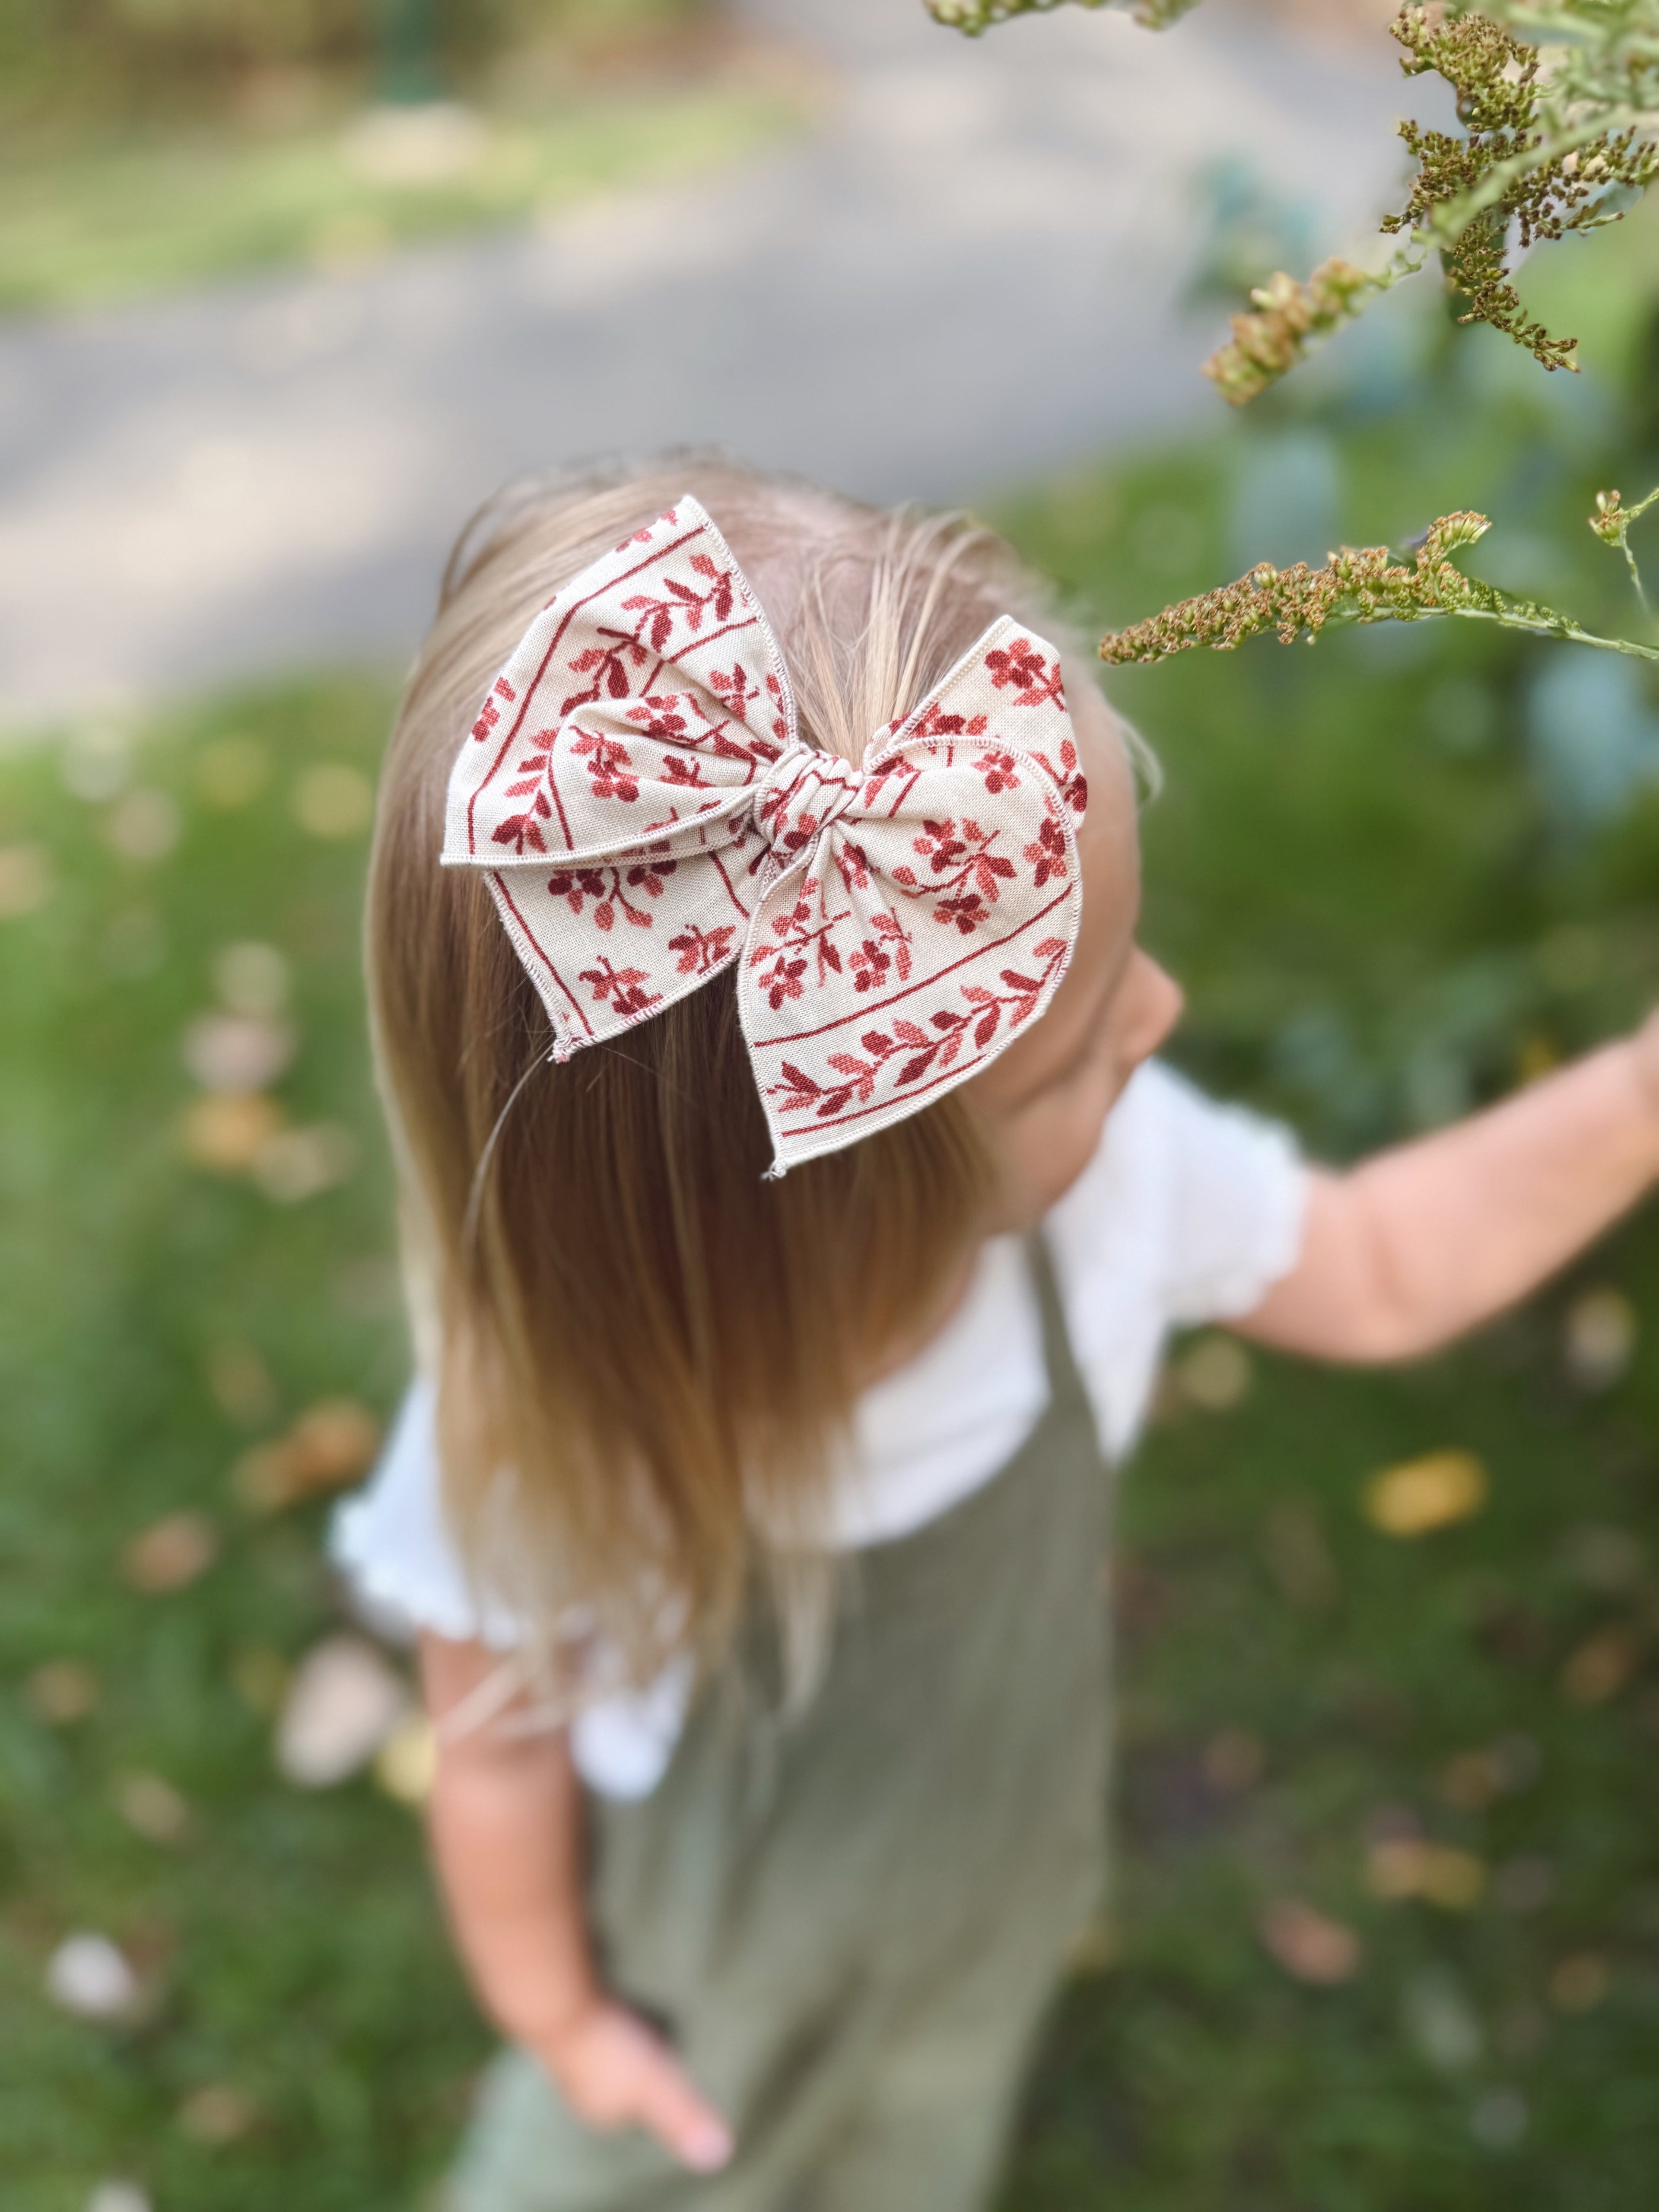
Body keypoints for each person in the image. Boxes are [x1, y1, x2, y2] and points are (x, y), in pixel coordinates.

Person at [335, 455, 1659, 2212]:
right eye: (1084, 1042)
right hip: (695, 2002)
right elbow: (494, 1740)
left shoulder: (1115, 1192)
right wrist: (562, 2020)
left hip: (983, 1918)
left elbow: (1390, 1260)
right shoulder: (536, 1426)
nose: (1168, 1013)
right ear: (822, 1206)